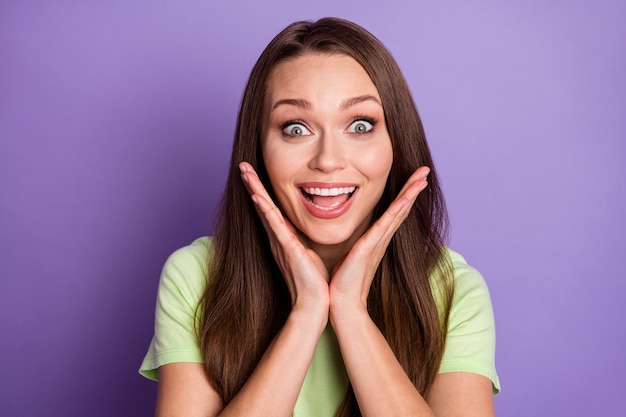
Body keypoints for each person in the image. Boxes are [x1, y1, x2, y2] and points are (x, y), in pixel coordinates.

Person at [139, 17, 500, 417]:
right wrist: (307, 311)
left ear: (397, 143)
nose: (328, 160)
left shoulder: (453, 291)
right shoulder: (197, 276)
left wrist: (349, 309)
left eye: (360, 125)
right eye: (296, 128)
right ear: (258, 149)